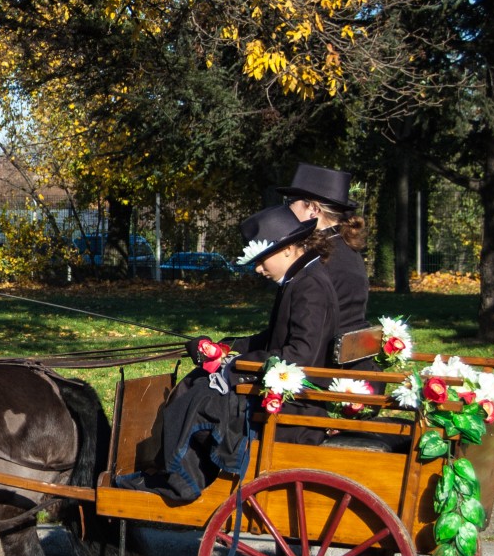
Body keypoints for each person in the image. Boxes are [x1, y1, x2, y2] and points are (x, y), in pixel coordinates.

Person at [116, 205, 340, 502]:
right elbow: (273, 338)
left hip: (297, 409)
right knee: (196, 382)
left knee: (201, 397)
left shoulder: (309, 286)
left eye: (262, 260)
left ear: (287, 249)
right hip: (291, 393)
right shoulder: (301, 279)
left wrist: (234, 365)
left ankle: (183, 481)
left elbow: (300, 354)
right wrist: (229, 346)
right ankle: (174, 469)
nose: (259, 269)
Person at [279, 163, 370, 336]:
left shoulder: (318, 258)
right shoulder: (346, 247)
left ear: (313, 208)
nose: (287, 209)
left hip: (319, 359)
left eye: (290, 202)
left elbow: (300, 336)